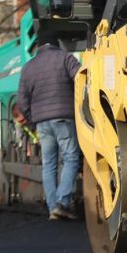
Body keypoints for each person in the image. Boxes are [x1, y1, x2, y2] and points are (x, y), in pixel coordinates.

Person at [17, 33, 81, 220]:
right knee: (71, 159)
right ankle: (62, 201)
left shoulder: (28, 67)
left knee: (49, 164)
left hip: (41, 123)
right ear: (57, 43)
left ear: (39, 46)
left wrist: (32, 121)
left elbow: (22, 101)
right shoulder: (65, 58)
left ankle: (53, 208)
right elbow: (82, 77)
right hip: (63, 118)